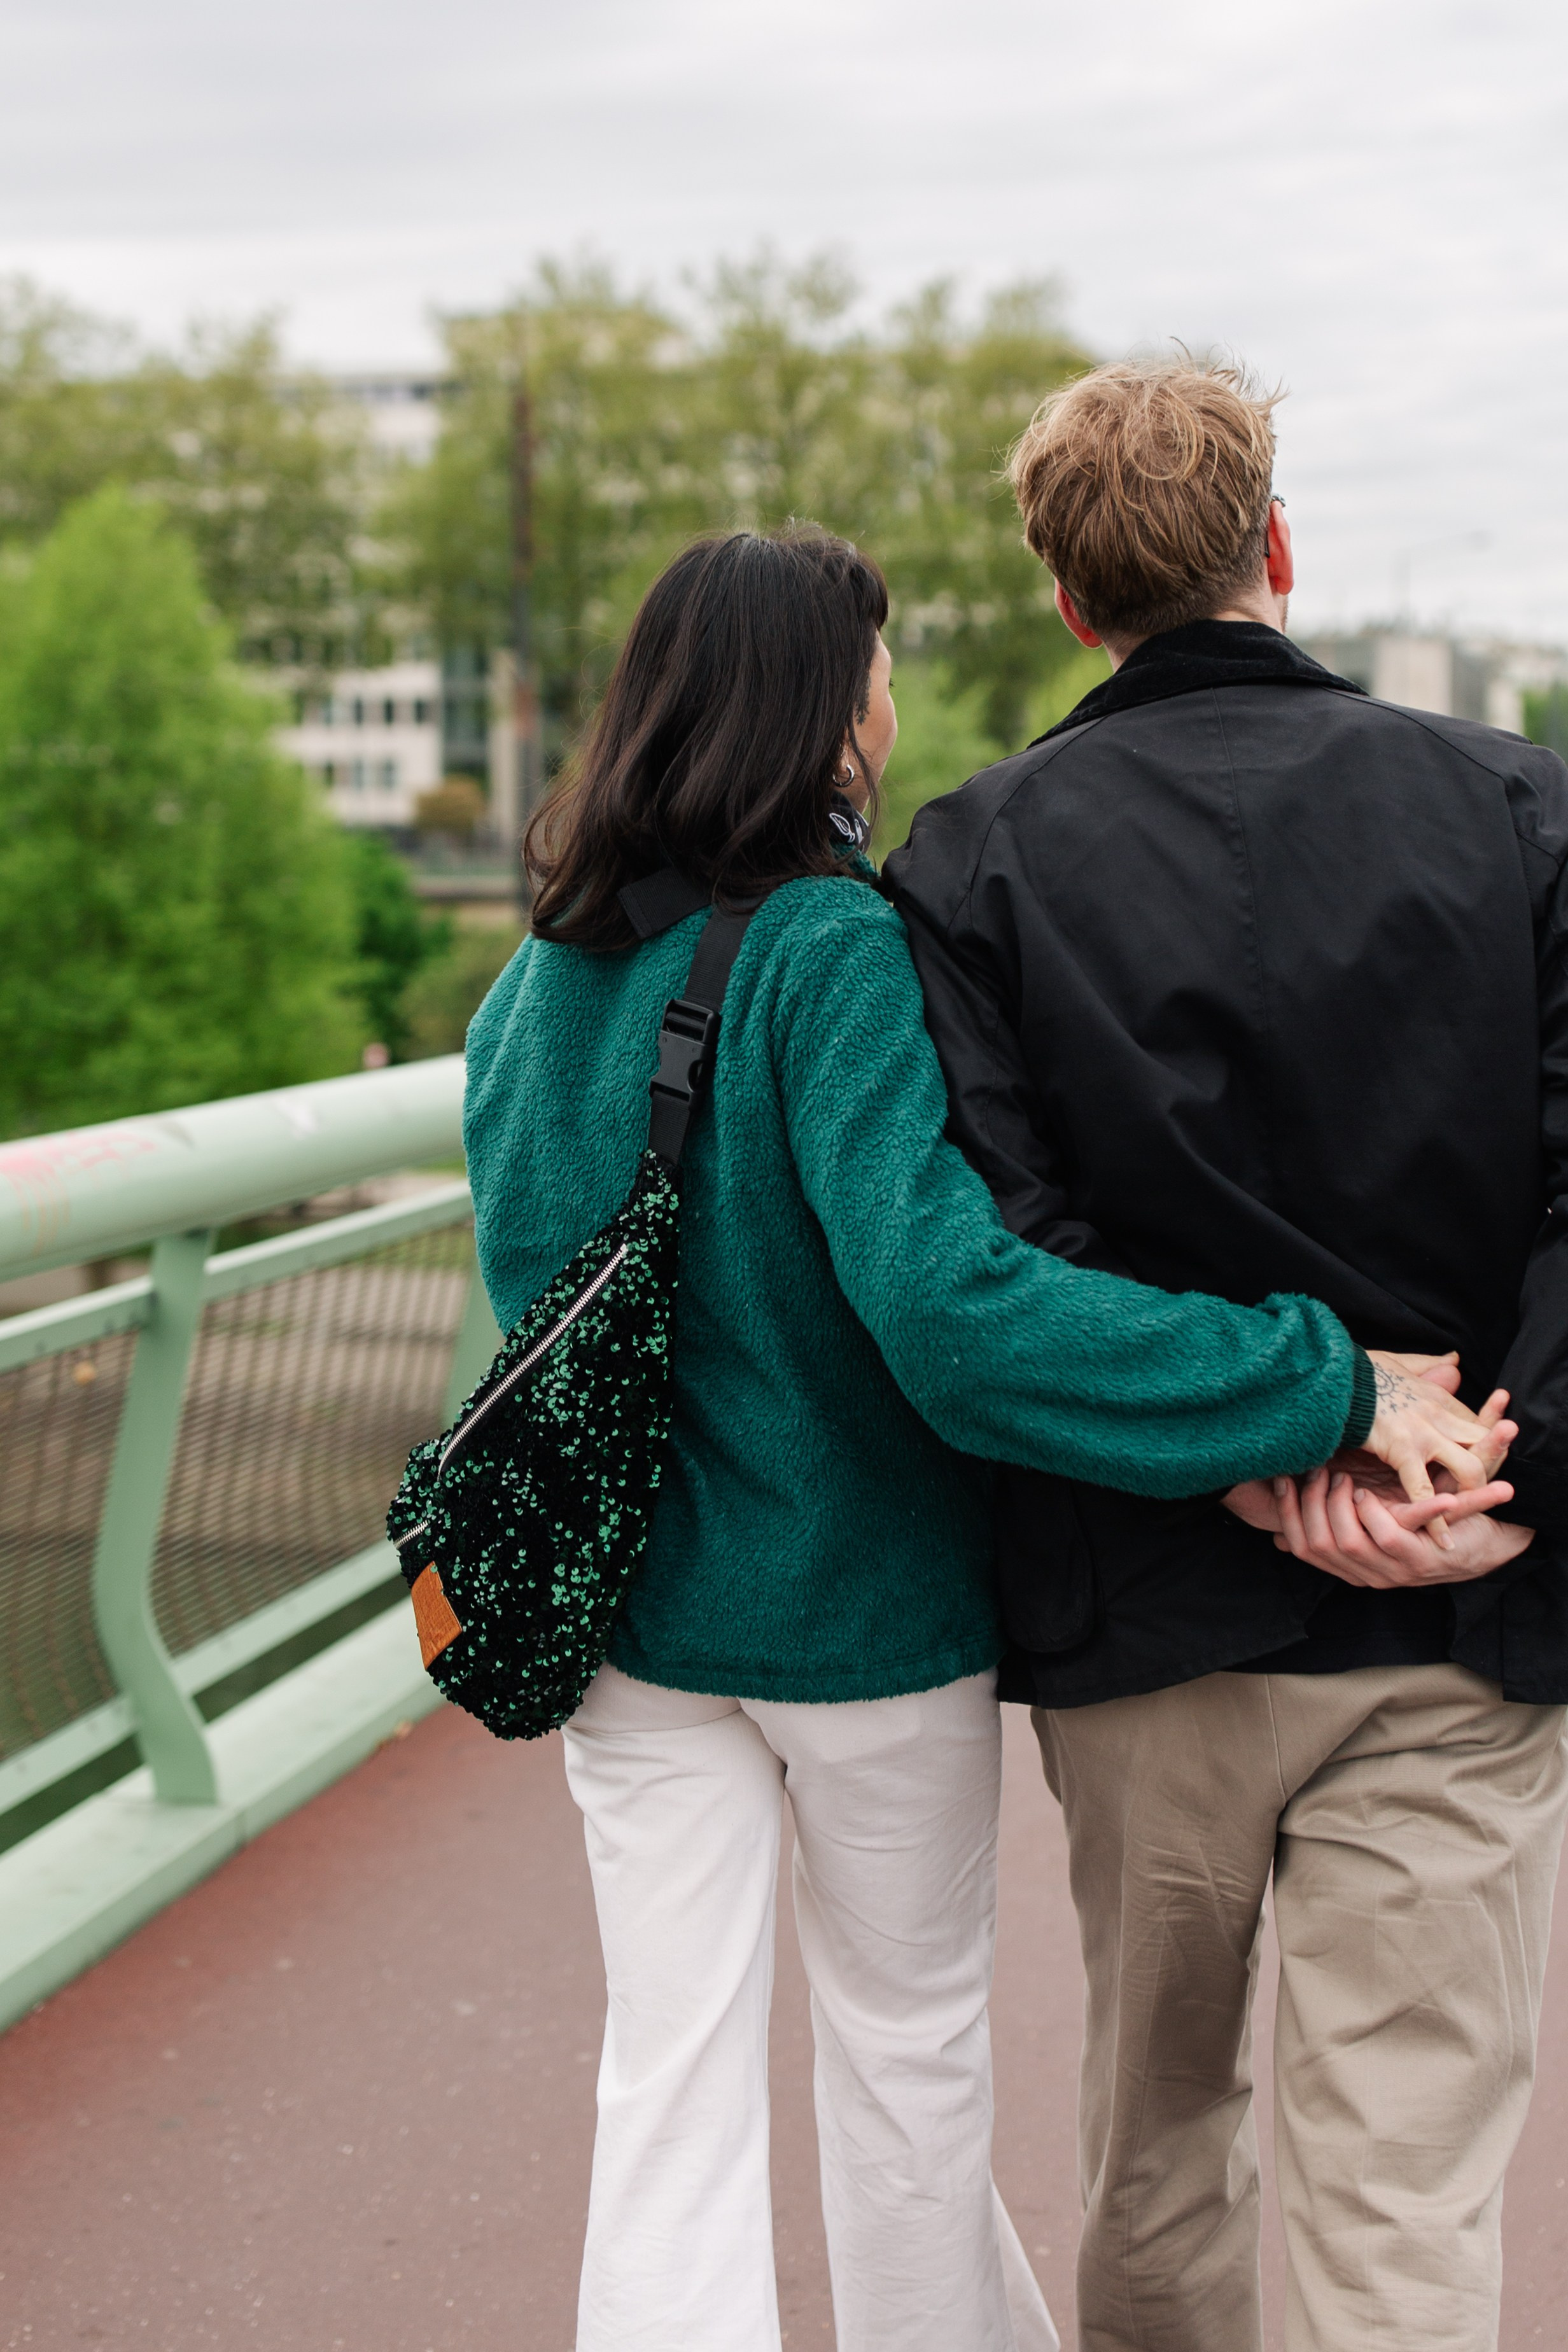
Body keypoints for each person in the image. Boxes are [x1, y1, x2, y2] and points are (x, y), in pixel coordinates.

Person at [461, 524, 1501, 2352]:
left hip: (624, 1628)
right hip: (859, 1625)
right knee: (907, 2064)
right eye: (870, 666)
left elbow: (547, 1297)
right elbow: (958, 1315)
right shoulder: (831, 951)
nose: (886, 700)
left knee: (667, 2086)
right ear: (822, 706)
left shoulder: (527, 994)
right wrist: (1326, 1379)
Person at [886, 358, 1568, 2352]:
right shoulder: (1525, 808)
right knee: (1411, 2188)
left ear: (1074, 601)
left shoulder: (976, 858)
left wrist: (1261, 1452)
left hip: (1147, 1606)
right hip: (1463, 1612)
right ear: (1278, 548)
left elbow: (1004, 1256)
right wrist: (1479, 1479)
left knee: (1157, 2148)